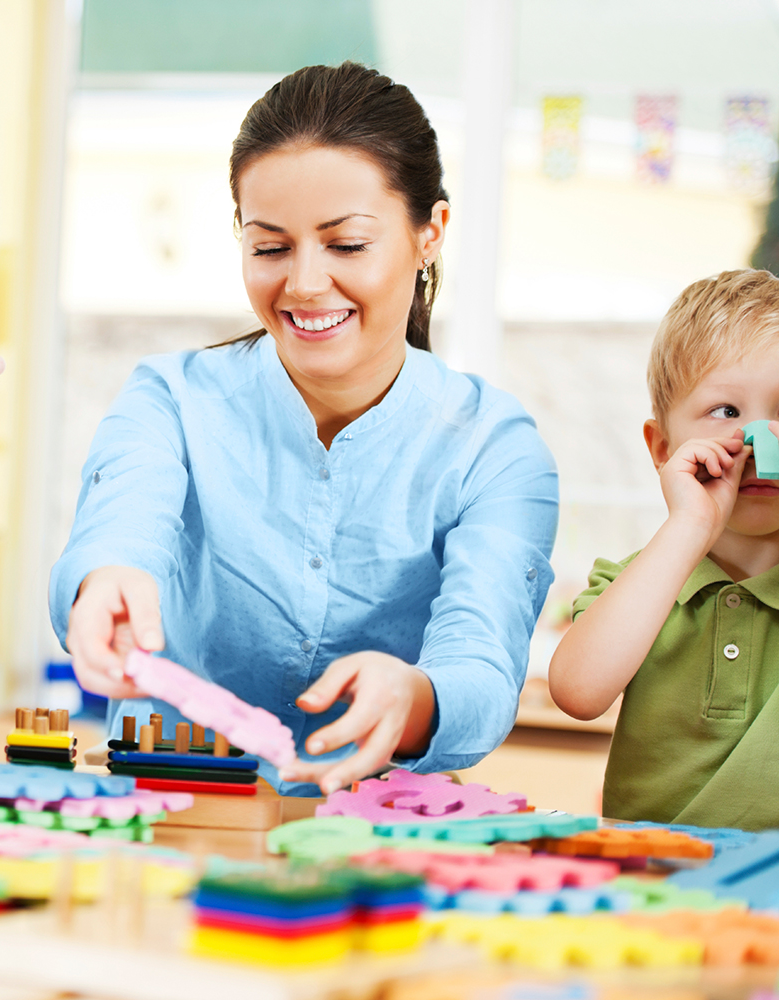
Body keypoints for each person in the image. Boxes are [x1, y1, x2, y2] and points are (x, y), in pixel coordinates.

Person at [51, 62, 559, 795]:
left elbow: (480, 668)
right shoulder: (169, 399)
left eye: (347, 244)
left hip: (372, 838)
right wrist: (106, 582)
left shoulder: (497, 451)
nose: (305, 283)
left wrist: (417, 699)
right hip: (169, 818)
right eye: (269, 247)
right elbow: (120, 528)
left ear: (430, 233)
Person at [549, 269, 779, 831]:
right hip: (655, 889)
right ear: (661, 446)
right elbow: (578, 692)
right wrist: (689, 525)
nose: (758, 440)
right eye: (726, 411)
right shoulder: (637, 582)